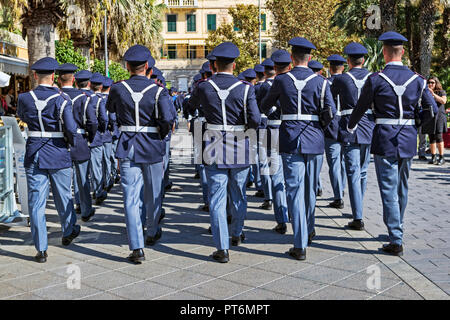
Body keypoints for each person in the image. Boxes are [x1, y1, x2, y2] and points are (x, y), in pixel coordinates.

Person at [347, 31, 438, 256]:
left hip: (385, 138)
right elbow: (432, 110)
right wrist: (416, 123)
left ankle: (396, 237)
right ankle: (396, 227)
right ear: (403, 52)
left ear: (385, 53)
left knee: (388, 189)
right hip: (407, 138)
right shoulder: (417, 79)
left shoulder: (376, 78)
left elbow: (361, 107)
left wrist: (351, 125)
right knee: (402, 187)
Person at [261, 37, 336, 260]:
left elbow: (265, 105)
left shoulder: (282, 80)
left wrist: (279, 110)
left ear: (292, 58)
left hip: (290, 138)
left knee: (294, 191)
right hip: (314, 139)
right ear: (310, 58)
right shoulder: (322, 82)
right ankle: (309, 229)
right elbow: (329, 112)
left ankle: (300, 243)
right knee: (310, 189)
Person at [190, 42, 260, 263]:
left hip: (212, 143)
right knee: (239, 193)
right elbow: (256, 119)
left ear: (213, 64)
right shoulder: (246, 88)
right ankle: (237, 233)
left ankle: (222, 247)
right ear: (235, 64)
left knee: (217, 197)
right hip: (239, 142)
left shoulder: (203, 86)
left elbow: (190, 106)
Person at [106, 45, 174, 263]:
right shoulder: (158, 90)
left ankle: (136, 247)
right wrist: (160, 136)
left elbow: (111, 110)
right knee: (154, 193)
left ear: (127, 66)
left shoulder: (117, 88)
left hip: (127, 145)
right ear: (147, 66)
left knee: (130, 197)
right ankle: (152, 231)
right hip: (152, 145)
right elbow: (166, 120)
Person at [17, 57, 80, 263]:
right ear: (53, 76)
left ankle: (41, 248)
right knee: (63, 196)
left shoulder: (24, 98)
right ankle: (68, 230)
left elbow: (23, 117)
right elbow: (70, 128)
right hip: (58, 151)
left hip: (35, 151)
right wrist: (69, 143)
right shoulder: (62, 100)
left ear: (35, 76)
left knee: (36, 202)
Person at [331, 43, 374, 231]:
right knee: (363, 171)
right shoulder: (373, 77)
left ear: (348, 61)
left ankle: (358, 216)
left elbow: (331, 101)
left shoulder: (341, 79)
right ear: (363, 60)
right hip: (369, 127)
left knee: (353, 173)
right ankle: (359, 208)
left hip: (350, 127)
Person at [58, 63, 98, 222]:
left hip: (60, 141)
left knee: (63, 181)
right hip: (80, 140)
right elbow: (92, 122)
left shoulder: (57, 95)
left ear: (59, 78)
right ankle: (85, 209)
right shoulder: (84, 98)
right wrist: (90, 136)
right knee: (82, 178)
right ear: (73, 79)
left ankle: (70, 211)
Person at [259, 49, 290, 234]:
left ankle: (281, 218)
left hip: (272, 129)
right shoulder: (297, 80)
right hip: (293, 132)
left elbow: (262, 107)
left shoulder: (267, 86)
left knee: (276, 173)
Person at [74, 70, 108, 205]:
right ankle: (98, 192)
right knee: (96, 168)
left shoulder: (73, 97)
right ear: (89, 83)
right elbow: (103, 119)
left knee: (80, 174)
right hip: (95, 137)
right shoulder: (96, 99)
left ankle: (79, 201)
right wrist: (98, 132)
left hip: (78, 137)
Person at [323, 54, 348, 210]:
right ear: (343, 68)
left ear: (330, 68)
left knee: (334, 164)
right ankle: (341, 190)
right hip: (346, 124)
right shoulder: (348, 81)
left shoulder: (325, 83)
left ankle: (338, 195)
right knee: (344, 162)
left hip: (331, 126)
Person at [421, 76, 447, 165]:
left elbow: (443, 101)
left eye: (432, 82)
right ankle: (433, 157)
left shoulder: (441, 92)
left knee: (439, 137)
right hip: (429, 116)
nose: (430, 84)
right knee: (431, 137)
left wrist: (433, 94)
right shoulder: (425, 92)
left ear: (436, 83)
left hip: (439, 116)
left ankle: (442, 157)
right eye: (429, 82)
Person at [102, 76, 120, 183]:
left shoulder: (93, 98)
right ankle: (112, 175)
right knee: (112, 155)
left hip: (100, 133)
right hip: (112, 132)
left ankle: (106, 177)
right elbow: (113, 118)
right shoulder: (111, 99)